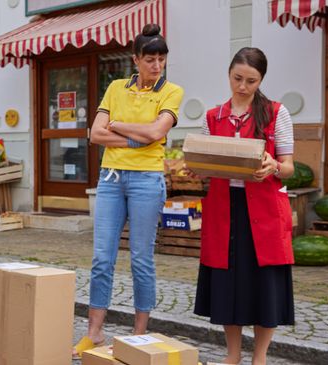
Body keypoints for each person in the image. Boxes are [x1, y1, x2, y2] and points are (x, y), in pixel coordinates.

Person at [74, 23, 184, 358]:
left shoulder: (171, 92)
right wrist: (138, 136)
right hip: (110, 179)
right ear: (135, 59)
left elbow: (156, 131)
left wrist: (119, 126)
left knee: (140, 258)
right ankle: (94, 332)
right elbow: (95, 135)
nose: (156, 65)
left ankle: (139, 333)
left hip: (146, 181)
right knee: (102, 258)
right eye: (150, 59)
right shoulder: (115, 88)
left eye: (161, 59)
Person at [192, 47, 296, 365]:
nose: (242, 86)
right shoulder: (214, 116)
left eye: (251, 80)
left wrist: (273, 166)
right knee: (228, 285)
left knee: (266, 286)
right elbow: (206, 163)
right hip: (226, 209)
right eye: (237, 78)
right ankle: (233, 355)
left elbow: (290, 166)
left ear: (261, 79)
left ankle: (259, 357)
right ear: (229, 74)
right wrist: (197, 166)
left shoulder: (277, 112)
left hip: (264, 209)